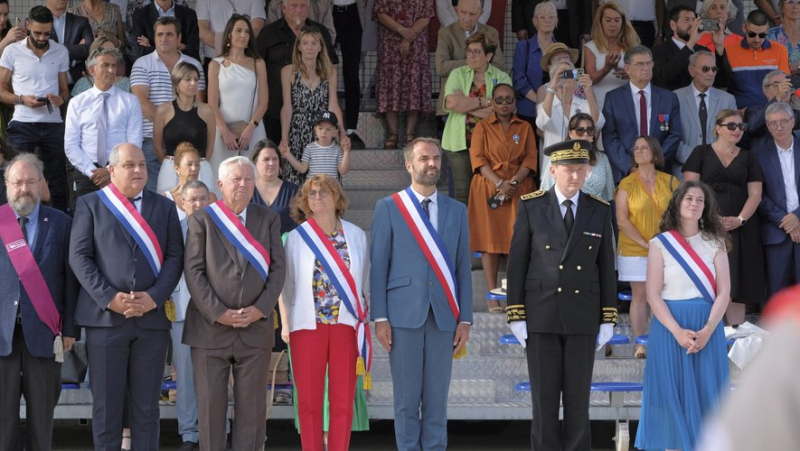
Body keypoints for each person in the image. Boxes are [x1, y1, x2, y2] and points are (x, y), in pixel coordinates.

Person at [69, 142, 184, 450]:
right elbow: (79, 258)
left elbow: (175, 256)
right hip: (106, 321)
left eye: (142, 165)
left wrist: (155, 297)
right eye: (130, 165)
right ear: (112, 170)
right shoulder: (91, 204)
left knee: (147, 408)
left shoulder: (165, 207)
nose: (137, 170)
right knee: (106, 408)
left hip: (151, 321)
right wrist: (110, 298)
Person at [505, 139, 617, 451]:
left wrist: (608, 315)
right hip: (541, 314)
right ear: (553, 170)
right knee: (544, 403)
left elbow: (607, 266)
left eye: (581, 169)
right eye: (568, 170)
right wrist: (516, 313)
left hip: (582, 314)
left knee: (579, 401)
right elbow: (517, 264)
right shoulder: (531, 205)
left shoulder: (599, 208)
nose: (575, 176)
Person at [370, 138, 473, 450]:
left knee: (437, 401)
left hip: (444, 318)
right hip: (402, 316)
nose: (432, 164)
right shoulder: (389, 207)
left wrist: (465, 318)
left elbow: (462, 268)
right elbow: (379, 266)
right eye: (425, 158)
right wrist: (381, 317)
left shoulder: (457, 211)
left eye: (437, 158)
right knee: (405, 400)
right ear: (409, 165)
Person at [183, 156, 285, 451]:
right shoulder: (202, 219)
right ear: (220, 184)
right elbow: (194, 272)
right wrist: (219, 313)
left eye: (248, 179)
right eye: (236, 179)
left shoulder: (268, 219)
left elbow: (278, 269)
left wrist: (260, 309)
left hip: (256, 329)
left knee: (252, 413)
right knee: (211, 412)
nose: (243, 184)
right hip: (209, 329)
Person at [635, 180, 731, 451]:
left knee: (707, 395)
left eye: (700, 200)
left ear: (706, 207)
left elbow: (724, 292)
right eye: (688, 198)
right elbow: (653, 294)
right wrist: (677, 332)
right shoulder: (660, 244)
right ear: (677, 204)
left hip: (706, 327)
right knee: (670, 395)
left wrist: (708, 331)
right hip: (669, 328)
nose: (694, 203)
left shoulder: (716, 241)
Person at [282, 174, 369, 451]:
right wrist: (286, 324)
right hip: (307, 326)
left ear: (337, 197)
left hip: (346, 326)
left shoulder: (356, 235)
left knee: (342, 401)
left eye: (323, 192)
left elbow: (364, 281)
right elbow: (286, 286)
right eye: (312, 194)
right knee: (309, 401)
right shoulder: (296, 238)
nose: (317, 197)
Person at [0, 153, 78, 451]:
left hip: (46, 333)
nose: (24, 188)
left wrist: (69, 327)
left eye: (31, 181)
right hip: (2, 334)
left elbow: (70, 280)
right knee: (2, 419)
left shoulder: (60, 223)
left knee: (42, 416)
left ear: (41, 184)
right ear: (7, 184)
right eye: (18, 181)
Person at [684, 109, 765, 325]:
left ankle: (735, 336)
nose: (737, 130)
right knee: (710, 280)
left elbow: (755, 194)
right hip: (706, 227)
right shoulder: (700, 152)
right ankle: (710, 333)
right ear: (717, 128)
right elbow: (689, 191)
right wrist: (708, 218)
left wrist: (740, 219)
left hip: (741, 228)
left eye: (741, 126)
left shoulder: (748, 156)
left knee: (736, 282)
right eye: (731, 126)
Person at [467, 83, 537, 313]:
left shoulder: (525, 127)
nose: (504, 104)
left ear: (515, 102)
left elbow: (529, 159)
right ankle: (492, 296)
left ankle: (514, 296)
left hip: (518, 186)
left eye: (509, 99)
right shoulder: (482, 127)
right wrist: (500, 184)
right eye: (499, 100)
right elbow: (477, 159)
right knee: (490, 243)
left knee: (517, 242)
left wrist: (512, 183)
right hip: (489, 187)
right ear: (492, 102)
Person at [0, 6, 71, 211]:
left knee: (57, 177)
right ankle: (14, 222)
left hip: (53, 123)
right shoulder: (12, 51)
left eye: (47, 33)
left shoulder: (60, 51)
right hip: (22, 123)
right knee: (16, 174)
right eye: (37, 32)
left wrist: (59, 99)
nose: (42, 37)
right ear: (28, 25)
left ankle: (58, 221)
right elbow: (1, 89)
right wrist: (22, 100)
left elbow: (65, 91)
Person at [615, 136, 678, 358]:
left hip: (665, 249)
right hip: (634, 249)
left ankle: (660, 341)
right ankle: (640, 343)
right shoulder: (626, 183)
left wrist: (664, 242)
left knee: (660, 295)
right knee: (640, 295)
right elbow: (622, 220)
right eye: (636, 148)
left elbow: (679, 215)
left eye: (645, 148)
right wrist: (646, 244)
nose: (639, 151)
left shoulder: (670, 181)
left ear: (655, 151)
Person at [131, 16, 205, 193]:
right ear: (154, 37)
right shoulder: (142, 64)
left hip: (188, 141)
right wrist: (170, 129)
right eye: (160, 34)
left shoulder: (193, 64)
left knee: (192, 195)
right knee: (155, 194)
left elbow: (199, 104)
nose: (164, 39)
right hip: (151, 140)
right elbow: (142, 102)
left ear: (179, 39)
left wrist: (179, 130)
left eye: (169, 34)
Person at [65, 47, 142, 211]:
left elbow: (134, 144)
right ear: (92, 70)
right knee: (84, 226)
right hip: (86, 173)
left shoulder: (130, 102)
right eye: (106, 65)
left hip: (120, 172)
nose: (111, 70)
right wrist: (92, 172)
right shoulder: (77, 103)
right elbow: (71, 145)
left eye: (114, 66)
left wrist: (110, 170)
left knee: (121, 225)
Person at [164, 179, 211, 451]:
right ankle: (189, 433)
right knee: (185, 373)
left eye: (202, 198)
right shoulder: (174, 230)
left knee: (215, 374)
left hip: (215, 311)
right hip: (182, 309)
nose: (197, 204)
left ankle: (217, 429)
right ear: (181, 202)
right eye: (192, 199)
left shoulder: (221, 228)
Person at [442, 32, 511, 205]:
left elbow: (500, 110)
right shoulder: (457, 74)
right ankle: (465, 232)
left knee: (489, 192)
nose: (471, 56)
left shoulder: (502, 77)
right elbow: (451, 103)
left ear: (488, 55)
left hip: (491, 147)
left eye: (476, 52)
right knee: (462, 195)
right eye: (469, 51)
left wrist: (465, 105)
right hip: (460, 144)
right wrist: (486, 101)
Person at [257, 0, 338, 143]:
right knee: (277, 160)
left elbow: (329, 65)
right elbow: (256, 67)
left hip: (315, 118)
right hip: (276, 111)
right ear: (283, 8)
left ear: (308, 8)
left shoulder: (320, 32)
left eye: (303, 6)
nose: (299, 10)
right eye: (294, 5)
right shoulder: (268, 33)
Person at [278, 26, 348, 186]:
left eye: (314, 43)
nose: (309, 47)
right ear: (299, 47)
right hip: (297, 129)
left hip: (323, 129)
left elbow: (333, 104)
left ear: (320, 47)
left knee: (324, 177)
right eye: (305, 43)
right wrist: (284, 137)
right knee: (296, 178)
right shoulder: (288, 71)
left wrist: (341, 132)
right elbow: (287, 107)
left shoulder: (329, 71)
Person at [602, 45, 682, 183]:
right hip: (625, 174)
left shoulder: (669, 98)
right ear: (627, 69)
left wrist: (654, 161)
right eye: (640, 64)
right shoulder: (613, 98)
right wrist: (630, 166)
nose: (646, 68)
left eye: (649, 63)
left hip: (659, 172)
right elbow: (610, 137)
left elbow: (674, 134)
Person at [207, 15, 268, 194]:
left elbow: (264, 102)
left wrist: (251, 128)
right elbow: (212, 103)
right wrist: (225, 132)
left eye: (247, 32)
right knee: (223, 179)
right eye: (239, 31)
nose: (243, 35)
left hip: (253, 130)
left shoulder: (258, 63)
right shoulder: (215, 64)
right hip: (223, 132)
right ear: (229, 35)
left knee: (256, 178)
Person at [536, 44, 603, 186]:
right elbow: (541, 123)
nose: (567, 78)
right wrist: (553, 87)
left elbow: (598, 124)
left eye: (570, 74)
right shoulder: (549, 103)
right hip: (553, 171)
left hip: (580, 171)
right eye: (562, 74)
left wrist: (589, 91)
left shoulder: (583, 103)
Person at [373, 0, 434, 149]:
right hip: (389, 42)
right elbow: (380, 13)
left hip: (416, 42)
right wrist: (402, 31)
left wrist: (408, 36)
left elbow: (426, 16)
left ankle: (410, 134)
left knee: (413, 83)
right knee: (390, 84)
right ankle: (393, 133)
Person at [756, 102, 800, 297]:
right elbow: (758, 195)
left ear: (793, 122)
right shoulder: (758, 155)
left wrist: (797, 216)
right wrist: (786, 220)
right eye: (773, 123)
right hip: (776, 232)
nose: (779, 127)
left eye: (783, 121)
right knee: (777, 294)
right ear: (767, 126)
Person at [437, 0, 504, 126]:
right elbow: (441, 67)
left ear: (481, 13)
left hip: (485, 105)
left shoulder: (491, 33)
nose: (467, 18)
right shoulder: (446, 33)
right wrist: (475, 62)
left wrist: (471, 63)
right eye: (463, 12)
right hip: (454, 107)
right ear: (457, 10)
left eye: (472, 14)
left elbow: (499, 65)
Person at [153, 62, 215, 193]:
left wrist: (199, 164)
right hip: (170, 167)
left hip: (200, 167)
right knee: (168, 208)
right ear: (177, 83)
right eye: (188, 79)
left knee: (203, 208)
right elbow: (157, 146)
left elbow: (210, 147)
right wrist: (170, 165)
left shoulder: (207, 110)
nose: (193, 83)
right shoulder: (163, 110)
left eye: (196, 79)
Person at [675, 51, 738, 177]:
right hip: (684, 169)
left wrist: (714, 161)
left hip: (719, 169)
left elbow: (733, 134)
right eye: (705, 69)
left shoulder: (727, 100)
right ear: (692, 71)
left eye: (714, 69)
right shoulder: (675, 97)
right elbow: (670, 136)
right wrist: (695, 160)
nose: (711, 73)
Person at [541, 113, 616, 202]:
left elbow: (610, 194)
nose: (585, 134)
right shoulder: (558, 157)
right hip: (566, 211)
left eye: (590, 130)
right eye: (580, 131)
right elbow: (545, 192)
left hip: (597, 212)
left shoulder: (602, 159)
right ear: (570, 133)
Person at [652, 5, 729, 92]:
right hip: (674, 102)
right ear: (673, 25)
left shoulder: (703, 51)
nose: (692, 24)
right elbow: (664, 77)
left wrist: (719, 47)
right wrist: (690, 44)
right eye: (686, 19)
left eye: (694, 20)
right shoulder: (658, 51)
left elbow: (721, 81)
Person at [726, 10, 790, 109]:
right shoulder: (729, 50)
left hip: (771, 110)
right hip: (740, 110)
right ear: (744, 28)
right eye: (752, 34)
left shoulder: (780, 50)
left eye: (762, 35)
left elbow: (784, 85)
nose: (757, 39)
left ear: (768, 30)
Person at [584, 1, 640, 112]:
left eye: (617, 20)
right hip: (599, 100)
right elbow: (589, 80)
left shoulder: (633, 46)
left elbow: (644, 75)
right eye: (608, 20)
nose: (613, 24)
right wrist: (606, 68)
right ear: (601, 22)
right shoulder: (590, 47)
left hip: (627, 99)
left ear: (623, 23)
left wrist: (631, 74)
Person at [512, 1, 558, 128]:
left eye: (551, 17)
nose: (547, 20)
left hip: (555, 112)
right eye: (542, 17)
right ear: (535, 21)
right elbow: (518, 80)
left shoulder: (561, 49)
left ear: (556, 21)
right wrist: (541, 100)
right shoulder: (523, 47)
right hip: (527, 111)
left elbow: (567, 77)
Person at [196, 0, 266, 68]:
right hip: (214, 58)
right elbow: (202, 30)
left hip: (247, 57)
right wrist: (230, 47)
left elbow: (257, 26)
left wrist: (238, 48)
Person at [250, 139, 300, 235]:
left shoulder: (294, 191)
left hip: (286, 248)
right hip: (254, 248)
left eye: (275, 159)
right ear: (256, 161)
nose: (271, 163)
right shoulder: (247, 190)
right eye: (266, 159)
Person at [282, 111, 350, 179]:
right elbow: (302, 169)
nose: (323, 132)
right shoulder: (310, 148)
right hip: (313, 187)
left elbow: (343, 171)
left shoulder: (337, 150)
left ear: (335, 132)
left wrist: (346, 152)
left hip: (330, 187)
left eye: (328, 129)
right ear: (315, 130)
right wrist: (288, 155)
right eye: (320, 128)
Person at [130, 0, 200, 62]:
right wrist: (180, 46)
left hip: (183, 70)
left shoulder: (189, 14)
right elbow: (141, 51)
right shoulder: (141, 15)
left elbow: (193, 50)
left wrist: (151, 47)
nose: (164, 39)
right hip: (153, 69)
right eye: (160, 35)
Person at [45, 0, 94, 88]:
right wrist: (77, 48)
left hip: (77, 82)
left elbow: (90, 49)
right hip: (46, 82)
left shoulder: (81, 22)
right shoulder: (38, 23)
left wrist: (54, 47)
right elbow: (39, 50)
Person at [0, 0, 25, 139]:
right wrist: (6, 41)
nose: (3, 19)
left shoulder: (8, 34)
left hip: (10, 98)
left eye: (5, 14)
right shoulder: (7, 38)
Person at [164, 142, 217, 207]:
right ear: (177, 168)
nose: (194, 168)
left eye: (197, 164)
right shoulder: (166, 198)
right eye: (189, 164)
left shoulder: (210, 198)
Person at [767, 0, 800, 74]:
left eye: (799, 3)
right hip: (779, 83)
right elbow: (765, 63)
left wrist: (798, 67)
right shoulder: (771, 35)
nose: (795, 7)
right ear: (780, 7)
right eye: (790, 2)